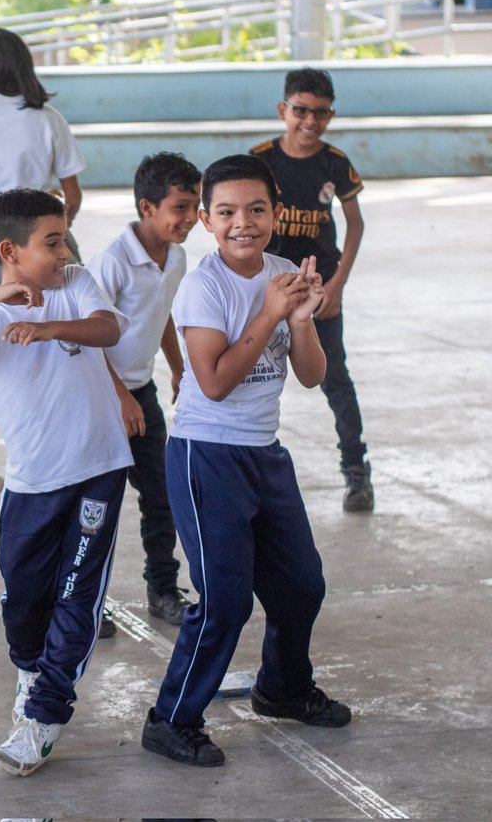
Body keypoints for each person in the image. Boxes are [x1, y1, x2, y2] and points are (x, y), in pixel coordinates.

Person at [141, 155, 351, 769]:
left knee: (300, 585)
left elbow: (311, 376)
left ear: (276, 212)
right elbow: (212, 383)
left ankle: (281, 689)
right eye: (227, 212)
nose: (243, 223)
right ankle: (171, 718)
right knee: (225, 601)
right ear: (206, 219)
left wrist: (303, 320)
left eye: (256, 209)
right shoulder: (202, 287)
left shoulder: (285, 273)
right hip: (206, 460)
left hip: (264, 456)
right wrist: (270, 312)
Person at [0, 188, 132, 777]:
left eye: (64, 238)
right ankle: (30, 669)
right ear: (10, 250)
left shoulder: (77, 283)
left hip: (99, 470)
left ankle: (42, 715)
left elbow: (107, 329)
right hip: (33, 483)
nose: (64, 251)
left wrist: (47, 328)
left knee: (77, 597)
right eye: (52, 242)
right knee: (23, 599)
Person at [0, 28, 87, 510]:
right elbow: (73, 192)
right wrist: (51, 235)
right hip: (40, 220)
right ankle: (70, 455)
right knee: (67, 335)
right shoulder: (46, 118)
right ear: (25, 66)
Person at [251, 67, 373, 512]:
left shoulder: (335, 163)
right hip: (269, 289)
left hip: (320, 292)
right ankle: (248, 468)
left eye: (320, 113)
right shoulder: (261, 159)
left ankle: (357, 472)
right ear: (284, 110)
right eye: (300, 110)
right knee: (253, 374)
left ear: (330, 115)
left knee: (334, 379)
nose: (309, 121)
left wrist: (337, 284)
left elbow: (356, 223)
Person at [86, 152, 200, 627]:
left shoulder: (176, 257)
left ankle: (162, 588)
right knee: (97, 505)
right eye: (181, 208)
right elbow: (85, 338)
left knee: (161, 494)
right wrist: (120, 395)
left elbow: (166, 313)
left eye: (195, 206)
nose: (191, 218)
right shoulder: (111, 263)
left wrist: (177, 368)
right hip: (97, 397)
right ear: (147, 207)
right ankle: (87, 601)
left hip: (142, 394)